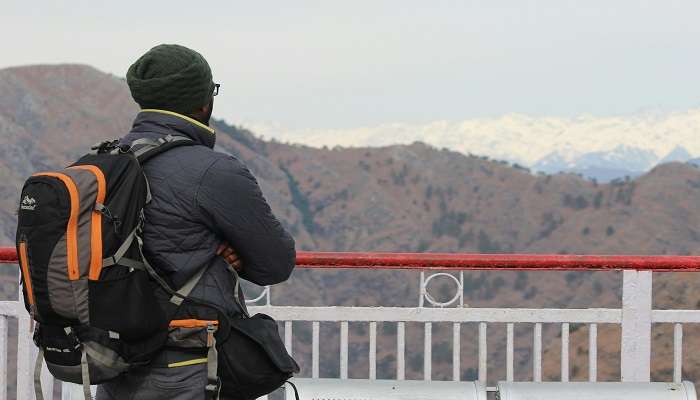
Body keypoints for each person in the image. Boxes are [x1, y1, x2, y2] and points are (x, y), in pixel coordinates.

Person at [96, 44, 296, 400]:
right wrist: (229, 254)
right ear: (204, 102)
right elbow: (276, 264)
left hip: (115, 358)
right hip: (185, 364)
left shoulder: (102, 163)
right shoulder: (214, 170)